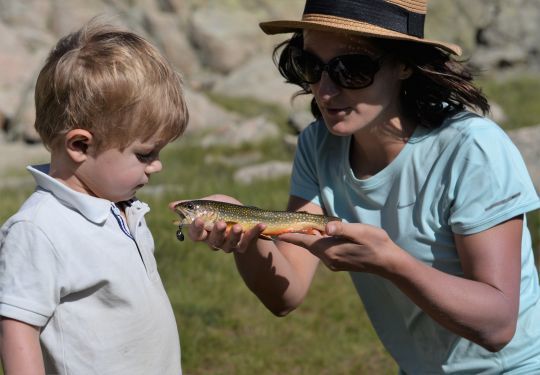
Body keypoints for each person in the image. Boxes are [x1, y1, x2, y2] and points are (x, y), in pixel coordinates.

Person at [174, 0, 540, 373]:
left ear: (404, 64)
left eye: (352, 68)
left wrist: (392, 264)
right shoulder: (318, 145)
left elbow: (498, 325)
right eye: (311, 66)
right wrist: (245, 234)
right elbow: (286, 293)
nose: (326, 90)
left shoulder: (471, 148)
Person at [0, 20, 188, 374]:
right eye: (145, 154)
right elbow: (17, 327)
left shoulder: (119, 206)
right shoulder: (39, 229)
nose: (157, 166)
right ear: (80, 146)